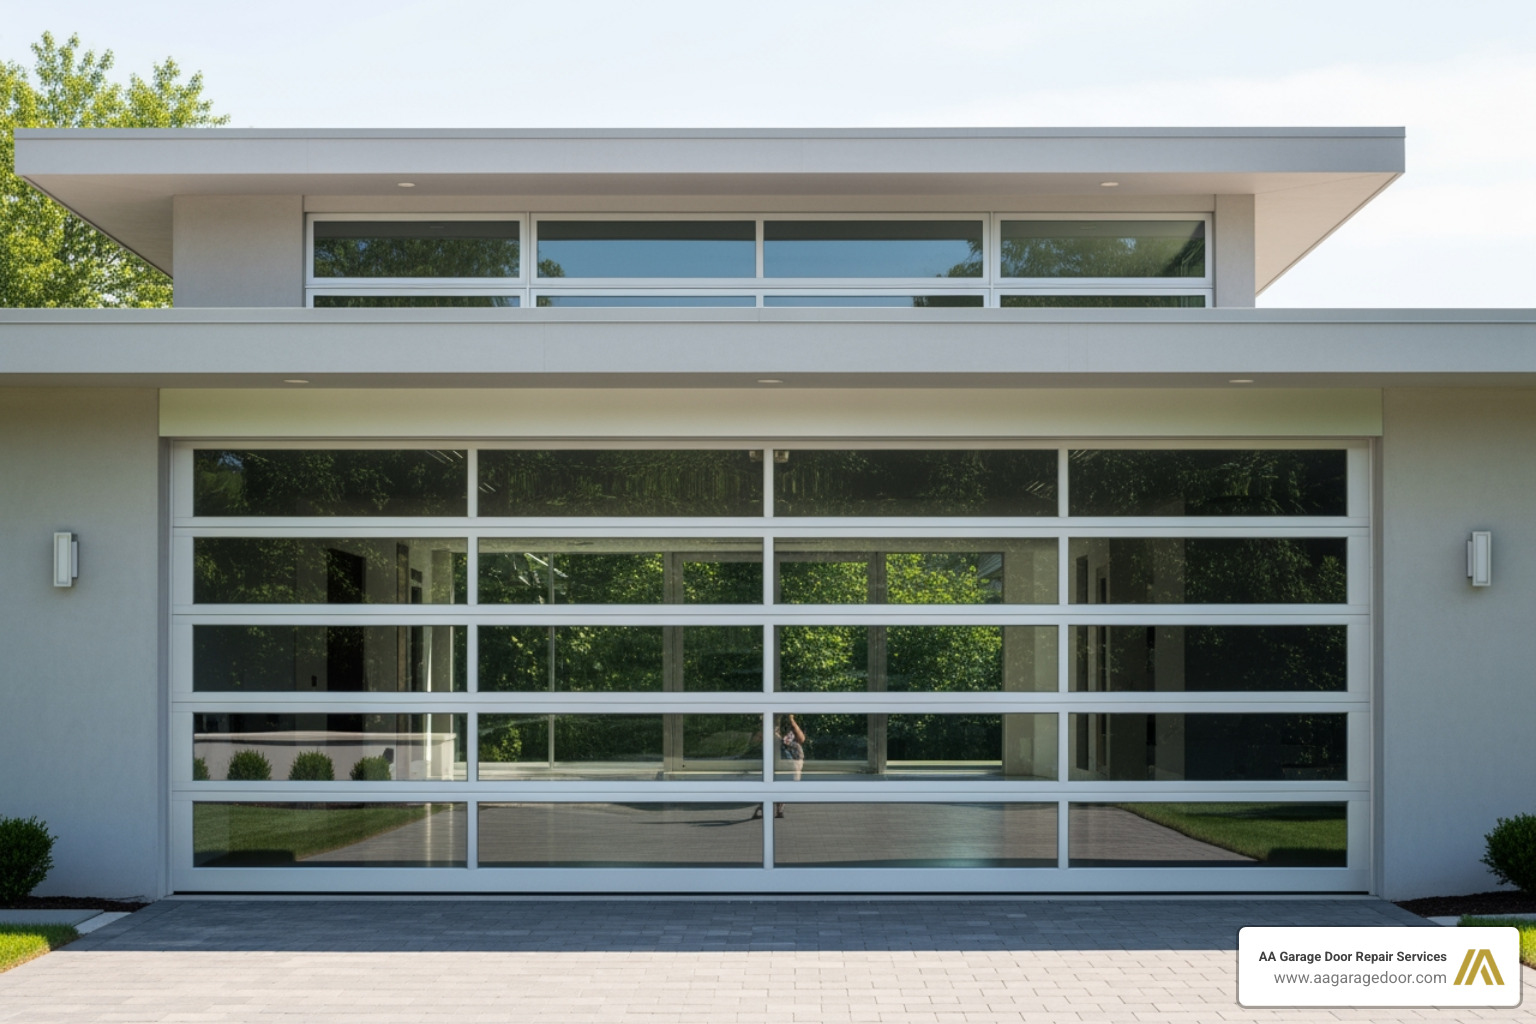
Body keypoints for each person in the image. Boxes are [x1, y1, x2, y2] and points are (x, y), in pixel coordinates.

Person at [755, 714, 805, 819]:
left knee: (784, 782)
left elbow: (801, 739)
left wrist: (792, 721)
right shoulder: (769, 728)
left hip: (790, 761)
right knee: (769, 782)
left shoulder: (790, 729)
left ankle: (778, 805)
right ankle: (764, 806)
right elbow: (756, 740)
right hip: (774, 760)